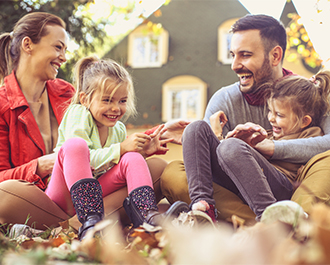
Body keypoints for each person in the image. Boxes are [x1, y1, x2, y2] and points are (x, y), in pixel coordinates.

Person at [0, 12, 187, 233]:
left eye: (65, 50)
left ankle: (78, 226)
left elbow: (107, 123)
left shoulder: (68, 93)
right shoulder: (3, 105)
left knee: (155, 167)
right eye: (58, 47)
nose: (64, 57)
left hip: (93, 192)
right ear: (28, 45)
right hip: (42, 197)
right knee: (5, 192)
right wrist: (40, 166)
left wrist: (160, 133)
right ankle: (84, 224)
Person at [161, 14, 330, 225]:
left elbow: (327, 142)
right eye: (233, 55)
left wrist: (271, 148)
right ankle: (208, 210)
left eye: (245, 55)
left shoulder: (309, 95)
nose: (234, 65)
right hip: (238, 191)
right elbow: (209, 165)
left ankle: (293, 219)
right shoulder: (224, 99)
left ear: (275, 56)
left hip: (292, 185)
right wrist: (217, 138)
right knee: (183, 154)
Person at [45, 55, 189, 239]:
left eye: (122, 101)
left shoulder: (118, 129)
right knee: (76, 145)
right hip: (64, 193)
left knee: (132, 158)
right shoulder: (78, 113)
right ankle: (90, 223)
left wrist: (140, 152)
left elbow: (116, 168)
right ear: (85, 99)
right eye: (107, 100)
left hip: (96, 197)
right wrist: (121, 149)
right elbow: (82, 159)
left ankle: (146, 216)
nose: (115, 108)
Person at [189, 70, 330, 221]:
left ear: (304, 121)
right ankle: (203, 206)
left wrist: (240, 147)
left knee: (230, 147)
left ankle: (268, 216)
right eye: (270, 111)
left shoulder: (312, 134)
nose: (271, 118)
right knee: (196, 128)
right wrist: (223, 139)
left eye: (279, 115)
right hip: (244, 185)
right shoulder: (270, 134)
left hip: (280, 186)